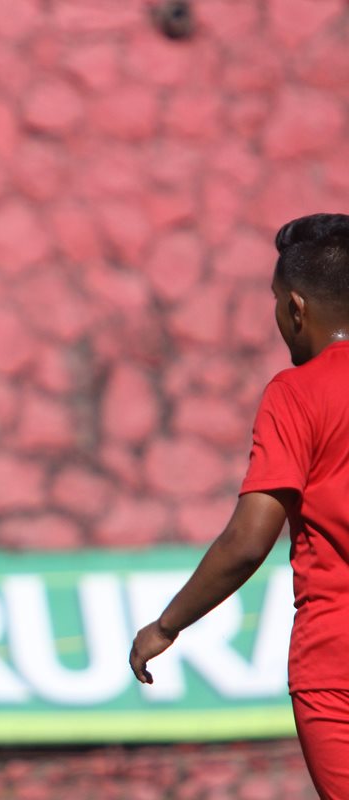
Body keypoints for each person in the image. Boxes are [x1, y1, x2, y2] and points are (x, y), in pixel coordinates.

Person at [130, 214, 349, 798]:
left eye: (277, 303)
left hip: (337, 665)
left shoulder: (296, 393)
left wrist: (166, 624)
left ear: (297, 307)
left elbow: (250, 539)